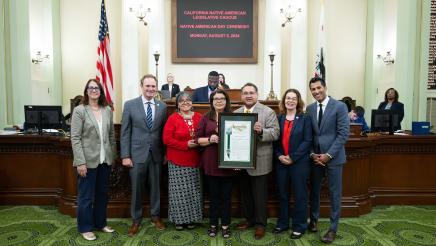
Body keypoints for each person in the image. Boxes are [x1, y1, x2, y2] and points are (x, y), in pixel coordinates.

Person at [120, 74, 168, 236]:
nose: (150, 89)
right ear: (141, 86)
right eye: (147, 86)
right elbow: (125, 132)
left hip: (156, 154)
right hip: (136, 155)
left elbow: (163, 133)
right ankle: (136, 219)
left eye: (153, 86)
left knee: (156, 187)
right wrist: (125, 155)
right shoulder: (130, 105)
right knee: (136, 189)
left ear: (156, 88)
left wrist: (166, 154)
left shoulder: (162, 106)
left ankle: (155, 216)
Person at [70, 79, 116, 241]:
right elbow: (75, 138)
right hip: (87, 161)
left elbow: (111, 135)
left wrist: (113, 156)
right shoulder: (80, 110)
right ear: (86, 91)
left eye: (96, 88)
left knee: (102, 194)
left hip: (105, 160)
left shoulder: (107, 110)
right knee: (86, 197)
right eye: (90, 88)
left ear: (101, 91)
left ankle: (100, 223)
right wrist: (80, 162)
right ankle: (85, 227)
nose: (94, 90)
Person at [234, 83, 280, 240]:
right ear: (241, 96)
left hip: (260, 160)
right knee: (245, 193)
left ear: (257, 94)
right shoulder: (236, 113)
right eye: (245, 93)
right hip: (241, 161)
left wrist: (261, 131)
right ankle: (249, 219)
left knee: (260, 195)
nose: (248, 95)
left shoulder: (268, 112)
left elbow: (275, 134)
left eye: (251, 93)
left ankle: (260, 224)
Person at [307, 77, 349, 244]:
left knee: (334, 194)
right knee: (314, 192)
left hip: (334, 159)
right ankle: (314, 221)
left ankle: (333, 228)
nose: (316, 91)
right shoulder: (310, 109)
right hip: (315, 159)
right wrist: (312, 154)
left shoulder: (339, 106)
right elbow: (308, 135)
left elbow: (343, 134)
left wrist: (328, 155)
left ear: (325, 87)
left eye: (319, 88)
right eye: (313, 89)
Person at [195, 90, 237, 239]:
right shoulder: (206, 118)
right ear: (211, 101)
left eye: (222, 98)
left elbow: (240, 139)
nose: (219, 101)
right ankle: (213, 225)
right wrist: (210, 139)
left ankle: (225, 226)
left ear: (226, 101)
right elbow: (197, 139)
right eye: (216, 99)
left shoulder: (234, 117)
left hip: (229, 163)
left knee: (226, 197)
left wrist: (240, 160)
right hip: (211, 162)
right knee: (213, 197)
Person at [273, 89, 313, 239]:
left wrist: (293, 157)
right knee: (282, 194)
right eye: (288, 98)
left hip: (299, 163)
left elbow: (307, 141)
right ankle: (283, 223)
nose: (290, 101)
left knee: (300, 195)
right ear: (284, 101)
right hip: (281, 162)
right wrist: (279, 156)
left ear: (298, 101)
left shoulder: (305, 118)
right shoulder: (279, 118)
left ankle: (299, 225)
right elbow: (275, 141)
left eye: (293, 98)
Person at [162, 91, 202, 230]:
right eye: (182, 100)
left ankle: (191, 219)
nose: (185, 102)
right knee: (179, 193)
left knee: (192, 191)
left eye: (188, 100)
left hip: (195, 160)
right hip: (177, 160)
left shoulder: (198, 116)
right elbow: (166, 139)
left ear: (192, 102)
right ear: (177, 104)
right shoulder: (173, 118)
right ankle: (179, 220)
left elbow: (204, 134)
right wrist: (185, 145)